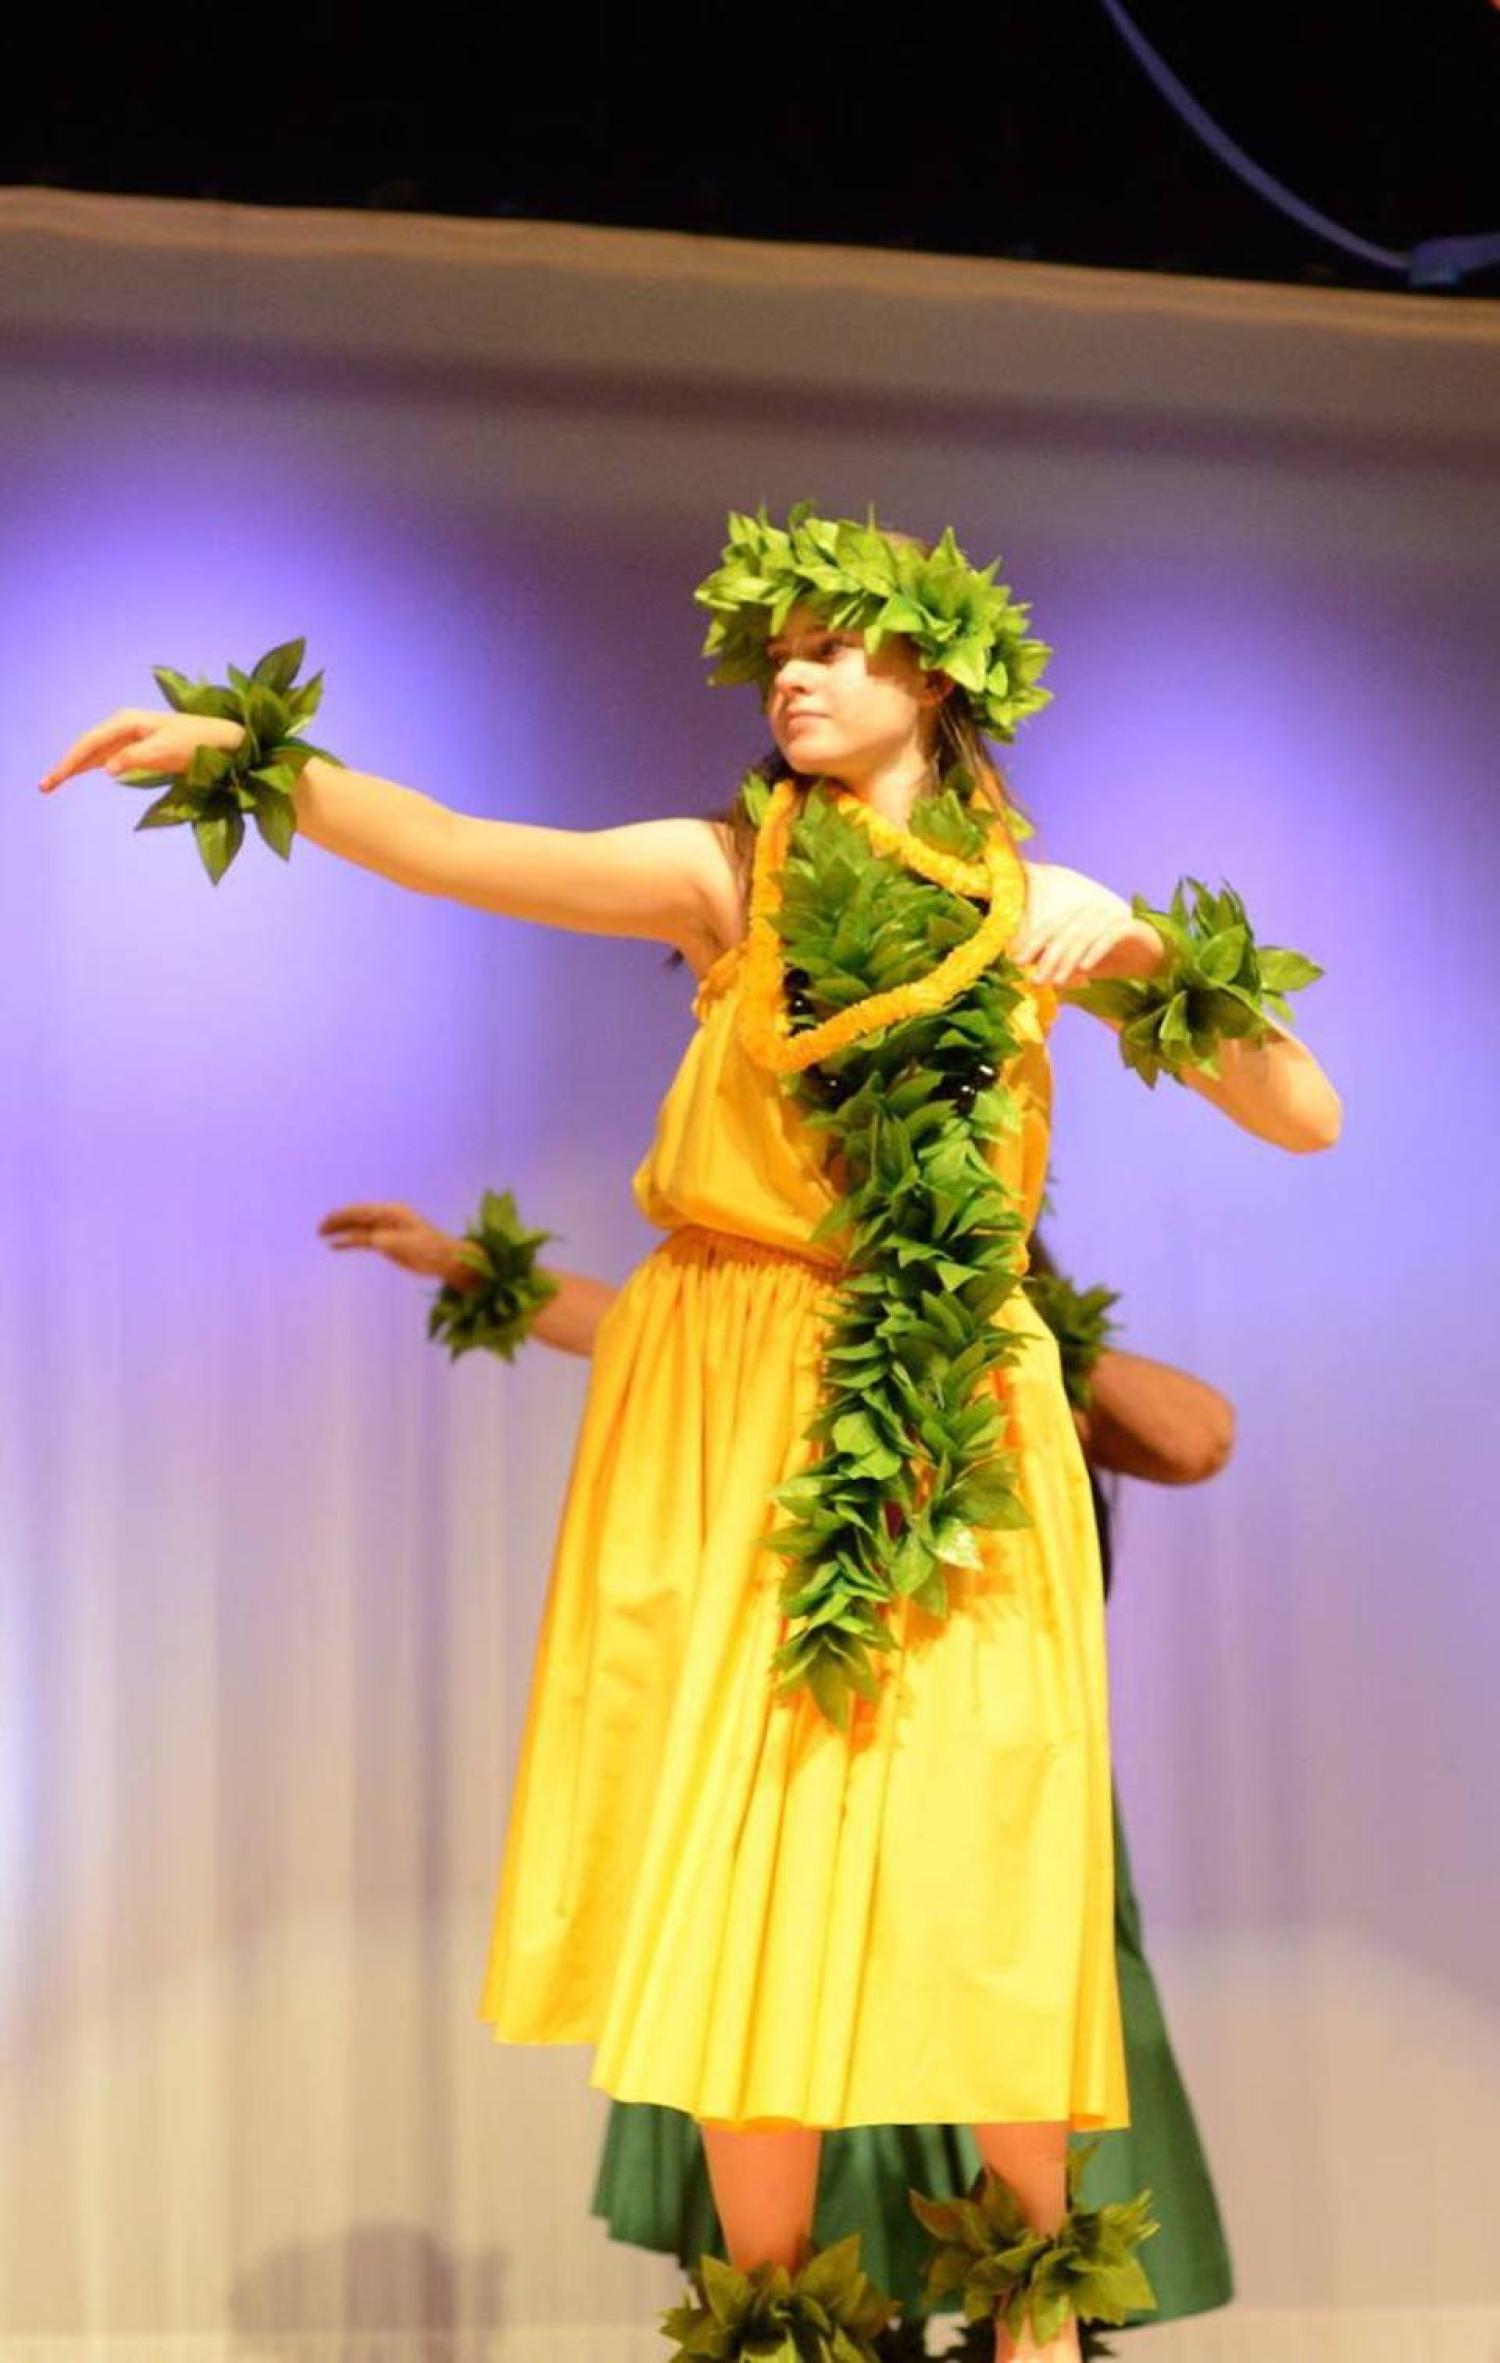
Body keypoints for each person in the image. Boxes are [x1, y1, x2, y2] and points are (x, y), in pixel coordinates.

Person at [40, 503, 1341, 2363]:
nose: (794, 674)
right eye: (777, 653)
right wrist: (259, 754)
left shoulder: (1040, 907)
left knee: (984, 1838)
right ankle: (775, 2316)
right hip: (744, 1399)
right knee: (759, 1852)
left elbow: (1304, 1118)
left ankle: (1038, 2322)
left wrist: (1157, 970)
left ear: (941, 678)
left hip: (957, 1406)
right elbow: (473, 850)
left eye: (837, 646)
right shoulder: (730, 870)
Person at [319, 1198, 1239, 2355]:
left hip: (997, 1811)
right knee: (800, 2112)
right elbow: (628, 1324)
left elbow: (1200, 1435)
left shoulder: (1010, 1352)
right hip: (820, 1780)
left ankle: (1028, 2313)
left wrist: (994, 1321)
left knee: (1012, 2109)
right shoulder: (776, 1347)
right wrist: (463, 1265)